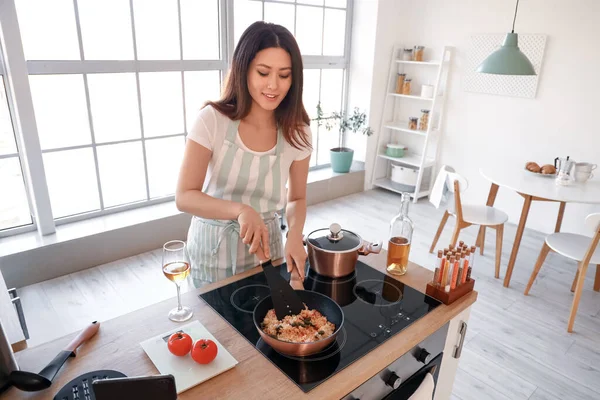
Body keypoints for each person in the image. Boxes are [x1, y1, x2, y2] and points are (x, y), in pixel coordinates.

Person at [176, 21, 312, 288]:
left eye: (284, 75)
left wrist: (295, 234)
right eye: (263, 73)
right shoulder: (212, 120)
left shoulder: (299, 131)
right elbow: (184, 196)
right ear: (243, 69)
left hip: (267, 251)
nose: (274, 85)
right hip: (211, 251)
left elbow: (297, 197)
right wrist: (240, 210)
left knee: (264, 324)